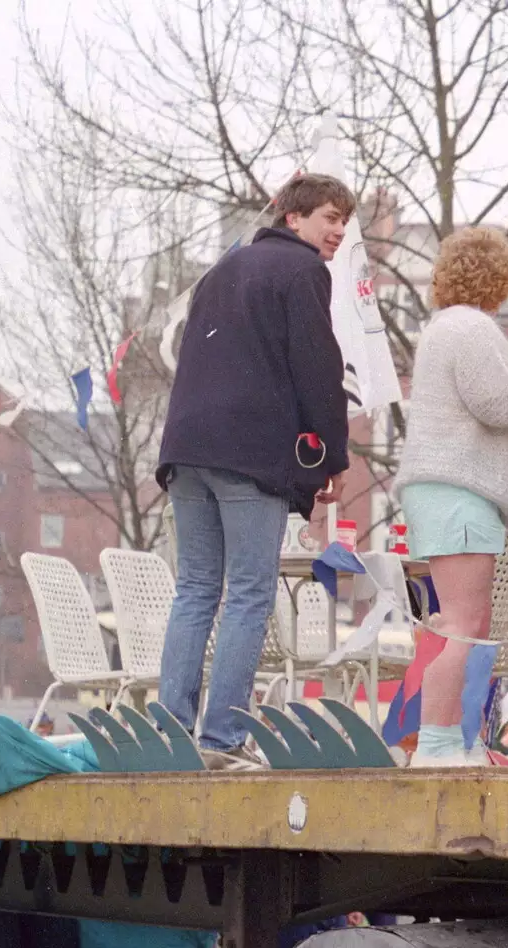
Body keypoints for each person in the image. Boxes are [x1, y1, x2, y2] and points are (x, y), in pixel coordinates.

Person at [155, 173, 354, 768]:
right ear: (292, 218)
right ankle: (221, 740)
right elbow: (319, 370)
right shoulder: (302, 272)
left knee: (194, 589)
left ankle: (168, 734)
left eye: (345, 220)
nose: (339, 230)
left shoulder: (223, 269)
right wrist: (331, 458)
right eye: (328, 217)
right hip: (248, 452)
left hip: (186, 447)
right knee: (248, 593)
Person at [392, 228, 508, 768]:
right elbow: (505, 406)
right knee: (466, 624)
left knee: (450, 624)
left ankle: (441, 740)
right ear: (499, 280)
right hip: (461, 492)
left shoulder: (444, 328)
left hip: (439, 490)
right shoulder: (472, 327)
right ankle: (441, 745)